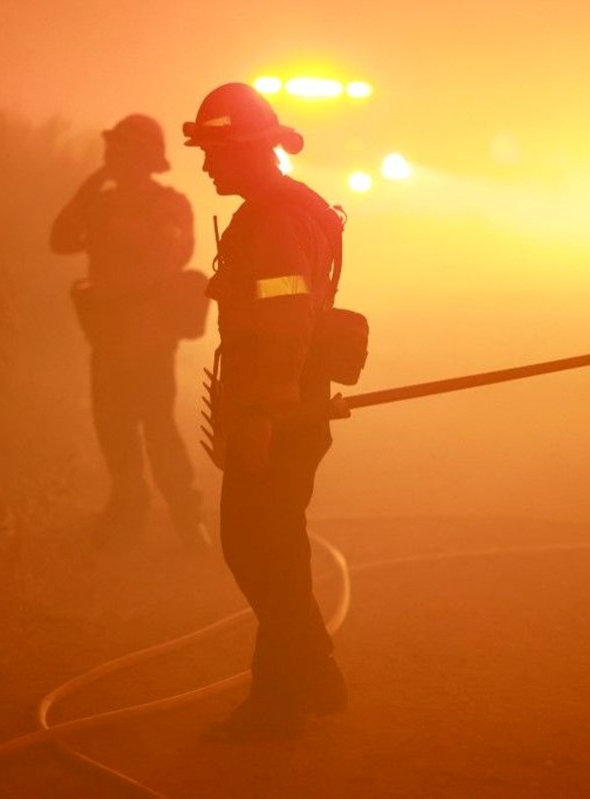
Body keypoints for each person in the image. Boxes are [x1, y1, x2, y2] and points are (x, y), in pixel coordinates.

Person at [183, 83, 347, 738]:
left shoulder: (275, 218)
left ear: (247, 149)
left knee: (254, 548)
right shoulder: (291, 207)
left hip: (278, 408)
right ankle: (283, 693)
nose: (205, 165)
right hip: (292, 402)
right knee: (272, 547)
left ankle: (310, 673)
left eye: (214, 151)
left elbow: (283, 316)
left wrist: (262, 412)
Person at [50, 114, 208, 548]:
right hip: (108, 335)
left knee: (158, 426)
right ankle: (127, 511)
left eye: (119, 151)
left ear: (142, 157)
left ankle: (186, 517)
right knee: (114, 428)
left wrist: (121, 226)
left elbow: (174, 252)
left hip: (152, 336)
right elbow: (60, 239)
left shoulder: (169, 204)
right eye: (111, 151)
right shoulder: (99, 203)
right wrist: (92, 189)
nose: (111, 157)